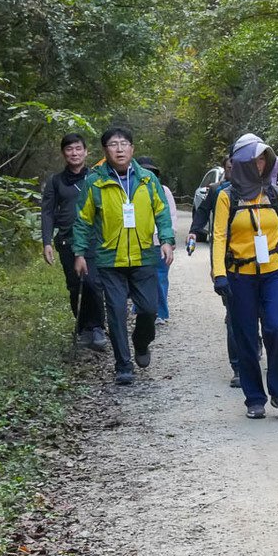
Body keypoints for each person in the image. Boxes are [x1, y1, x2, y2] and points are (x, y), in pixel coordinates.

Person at [72, 127, 175, 386]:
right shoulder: (94, 182)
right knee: (116, 312)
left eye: (124, 143)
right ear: (105, 150)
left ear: (132, 149)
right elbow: (83, 220)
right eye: (113, 144)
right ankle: (123, 366)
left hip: (144, 257)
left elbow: (161, 212)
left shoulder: (148, 180)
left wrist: (166, 240)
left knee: (150, 309)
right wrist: (80, 252)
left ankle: (141, 342)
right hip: (110, 259)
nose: (119, 149)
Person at [211, 134, 278, 420]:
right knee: (246, 336)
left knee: (275, 328)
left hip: (274, 272)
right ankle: (254, 398)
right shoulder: (227, 196)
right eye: (254, 158)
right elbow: (219, 237)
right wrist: (219, 275)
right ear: (241, 163)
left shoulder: (276, 194)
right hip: (240, 276)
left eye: (264, 158)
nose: (260, 164)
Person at [40, 133, 107, 351]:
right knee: (75, 285)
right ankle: (83, 329)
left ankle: (97, 327)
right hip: (67, 241)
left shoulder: (97, 178)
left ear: (86, 152)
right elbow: (48, 212)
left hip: (93, 239)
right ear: (63, 153)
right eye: (69, 149)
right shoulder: (56, 181)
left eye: (78, 148)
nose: (74, 153)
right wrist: (47, 241)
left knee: (93, 282)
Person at [189, 155, 245, 387]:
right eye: (230, 167)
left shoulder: (259, 190)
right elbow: (201, 214)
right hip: (225, 257)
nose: (234, 170)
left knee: (253, 312)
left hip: (254, 260)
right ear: (225, 169)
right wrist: (194, 231)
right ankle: (238, 367)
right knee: (233, 314)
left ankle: (255, 340)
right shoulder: (217, 191)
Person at [136, 156, 177, 326]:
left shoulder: (163, 190)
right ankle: (142, 308)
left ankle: (160, 312)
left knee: (160, 277)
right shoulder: (131, 190)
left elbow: (171, 214)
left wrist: (169, 238)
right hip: (139, 241)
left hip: (159, 241)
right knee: (141, 277)